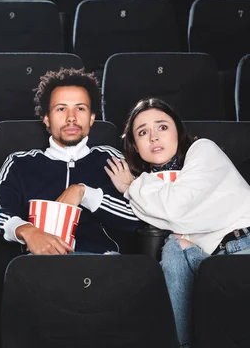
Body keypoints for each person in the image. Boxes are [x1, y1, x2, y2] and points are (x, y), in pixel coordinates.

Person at [105, 97, 250, 348]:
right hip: (213, 261)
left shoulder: (203, 150)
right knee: (173, 246)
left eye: (162, 127)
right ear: (136, 146)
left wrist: (131, 188)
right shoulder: (150, 186)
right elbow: (168, 216)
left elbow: (174, 209)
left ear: (178, 132)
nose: (154, 137)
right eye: (143, 132)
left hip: (244, 246)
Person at [0, 68, 141, 256]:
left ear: (92, 118)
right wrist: (27, 231)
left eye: (80, 108)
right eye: (61, 109)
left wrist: (84, 193)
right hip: (37, 265)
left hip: (101, 264)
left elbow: (139, 215)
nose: (71, 118)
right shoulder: (19, 163)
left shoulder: (112, 161)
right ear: (46, 118)